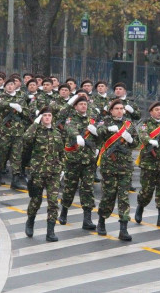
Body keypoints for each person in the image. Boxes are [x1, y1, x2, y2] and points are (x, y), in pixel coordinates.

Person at [96, 99, 139, 241]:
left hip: (125, 166)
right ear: (111, 110)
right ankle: (101, 220)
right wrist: (108, 130)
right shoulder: (106, 122)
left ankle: (123, 229)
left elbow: (136, 143)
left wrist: (131, 140)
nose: (120, 111)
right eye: (117, 108)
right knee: (108, 195)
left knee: (124, 197)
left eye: (121, 108)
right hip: (109, 166)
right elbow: (99, 132)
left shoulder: (129, 124)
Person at [23, 106, 65, 242]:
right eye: (45, 115)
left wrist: (62, 168)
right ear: (41, 117)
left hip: (53, 173)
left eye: (49, 115)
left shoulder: (57, 133)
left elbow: (61, 152)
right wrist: (35, 123)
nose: (47, 117)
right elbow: (26, 138)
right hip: (38, 172)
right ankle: (30, 221)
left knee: (53, 202)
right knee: (36, 200)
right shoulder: (36, 131)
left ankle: (50, 231)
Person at [58, 96, 99, 230]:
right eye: (80, 104)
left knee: (87, 189)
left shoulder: (92, 119)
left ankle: (87, 219)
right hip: (73, 160)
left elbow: (99, 134)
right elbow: (70, 129)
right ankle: (63, 211)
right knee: (70, 187)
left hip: (89, 160)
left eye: (84, 104)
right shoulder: (71, 119)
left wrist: (98, 142)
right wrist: (77, 136)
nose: (83, 106)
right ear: (75, 107)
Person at [134, 101, 160, 228]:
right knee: (147, 191)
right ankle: (140, 207)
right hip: (148, 163)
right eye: (156, 110)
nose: (159, 112)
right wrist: (150, 140)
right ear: (151, 112)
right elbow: (143, 135)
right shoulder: (145, 124)